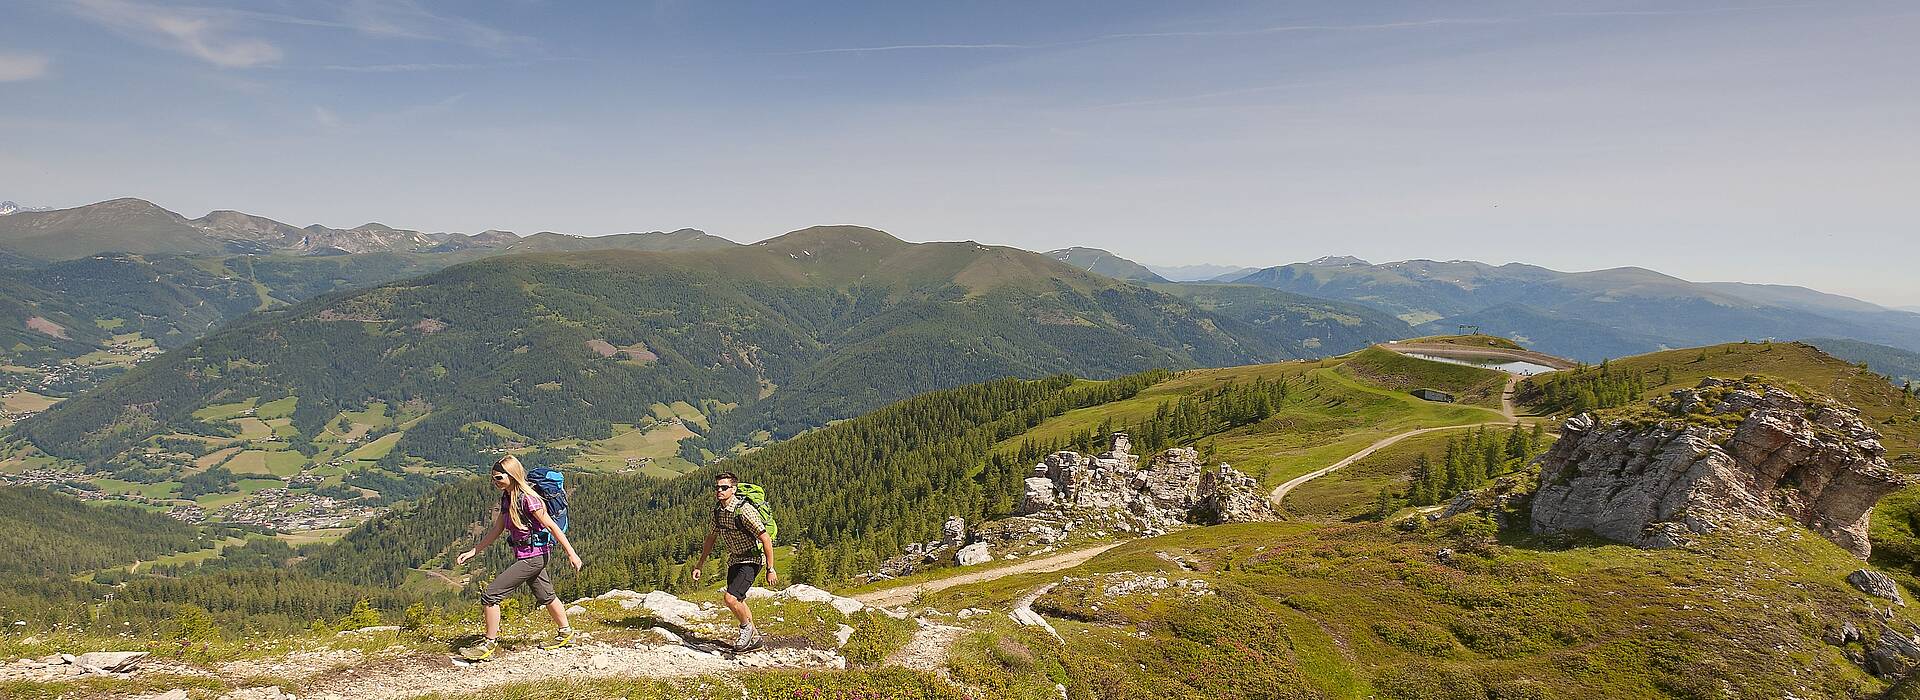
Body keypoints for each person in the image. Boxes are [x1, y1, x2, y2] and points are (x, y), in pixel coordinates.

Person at [454, 455, 583, 660]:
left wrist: (571, 553)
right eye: (493, 478)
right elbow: (498, 528)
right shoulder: (507, 497)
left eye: (498, 477)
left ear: (512, 475)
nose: (494, 482)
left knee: (490, 596)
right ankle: (566, 633)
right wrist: (474, 550)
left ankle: (487, 645)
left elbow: (551, 525)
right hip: (530, 555)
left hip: (534, 556)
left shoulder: (529, 499)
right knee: (546, 595)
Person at [692, 471, 776, 650]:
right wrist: (700, 564)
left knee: (730, 598)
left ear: (734, 489)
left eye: (724, 487)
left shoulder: (744, 511)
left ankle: (746, 631)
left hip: (752, 559)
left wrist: (770, 568)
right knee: (739, 600)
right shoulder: (718, 511)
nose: (719, 491)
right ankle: (755, 639)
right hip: (735, 559)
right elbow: (711, 538)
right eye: (717, 488)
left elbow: (765, 538)